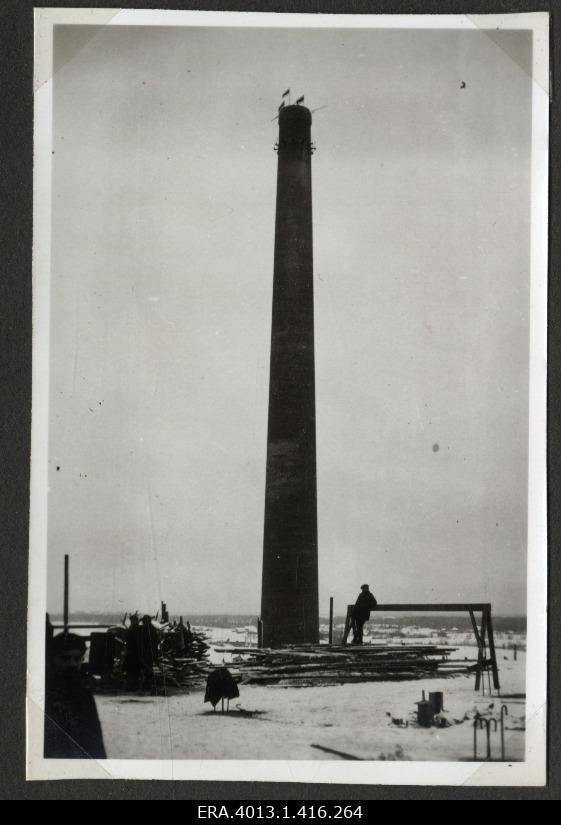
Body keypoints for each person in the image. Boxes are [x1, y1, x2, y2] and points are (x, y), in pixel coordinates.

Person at [44, 632, 106, 759]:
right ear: (51, 660)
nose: (72, 664)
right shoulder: (42, 694)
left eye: (77, 658)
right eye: (65, 658)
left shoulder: (84, 695)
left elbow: (95, 742)